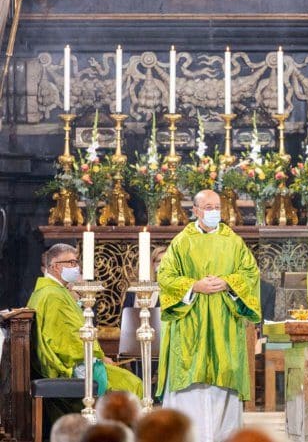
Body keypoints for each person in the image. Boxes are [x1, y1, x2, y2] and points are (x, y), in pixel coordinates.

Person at [157, 189, 261, 442]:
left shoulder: (233, 240)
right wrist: (194, 286)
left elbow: (250, 274)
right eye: (208, 207)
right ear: (195, 211)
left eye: (217, 207)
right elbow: (165, 277)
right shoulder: (182, 241)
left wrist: (228, 283)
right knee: (191, 382)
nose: (214, 212)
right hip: (191, 323)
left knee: (223, 379)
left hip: (225, 322)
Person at [26, 243, 143, 417]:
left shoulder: (51, 291)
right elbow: (68, 339)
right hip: (71, 366)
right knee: (133, 384)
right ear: (56, 266)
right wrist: (99, 357)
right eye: (72, 262)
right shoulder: (53, 294)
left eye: (76, 262)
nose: (76, 267)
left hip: (75, 360)